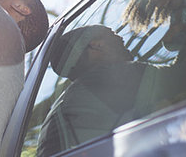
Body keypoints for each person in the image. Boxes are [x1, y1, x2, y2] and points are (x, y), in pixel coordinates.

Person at [36, 25, 158, 157]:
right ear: (96, 45)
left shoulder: (61, 107)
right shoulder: (116, 76)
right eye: (113, 34)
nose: (121, 38)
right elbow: (179, 75)